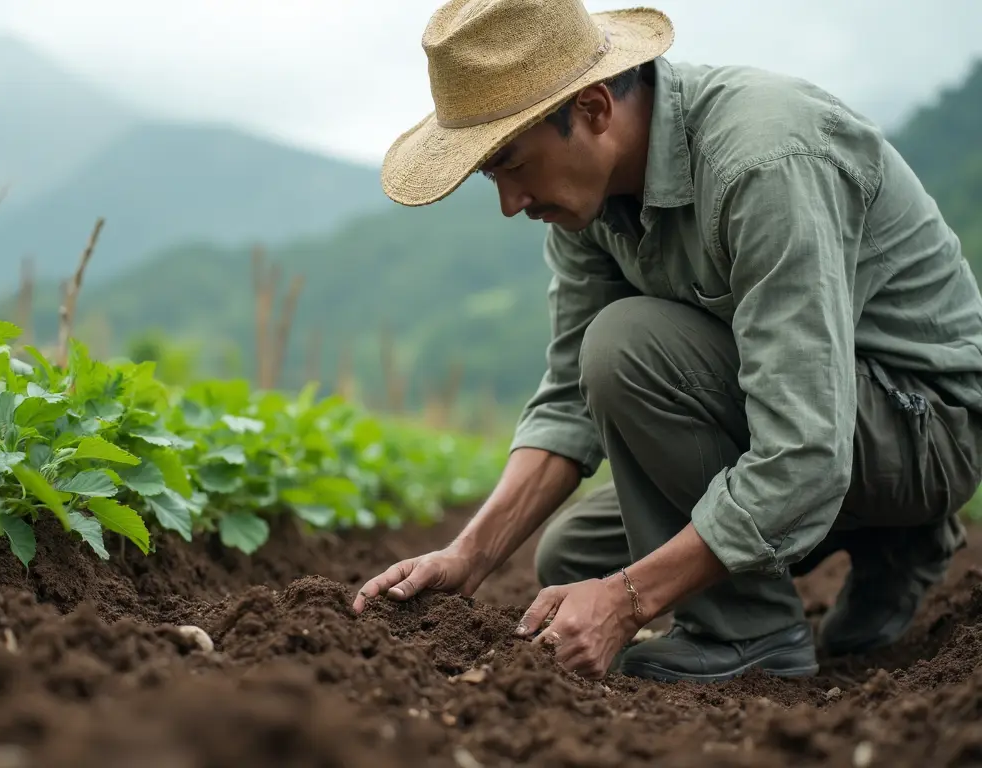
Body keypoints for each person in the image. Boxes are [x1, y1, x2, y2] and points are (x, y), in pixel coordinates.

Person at [352, 0, 982, 684]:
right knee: (570, 556)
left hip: (924, 429)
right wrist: (470, 556)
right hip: (820, 419)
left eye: (512, 164)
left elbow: (804, 449)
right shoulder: (584, 205)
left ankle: (753, 634)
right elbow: (569, 399)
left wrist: (626, 603)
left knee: (625, 344)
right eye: (491, 176)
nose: (510, 202)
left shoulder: (763, 162)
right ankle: (893, 541)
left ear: (593, 109)